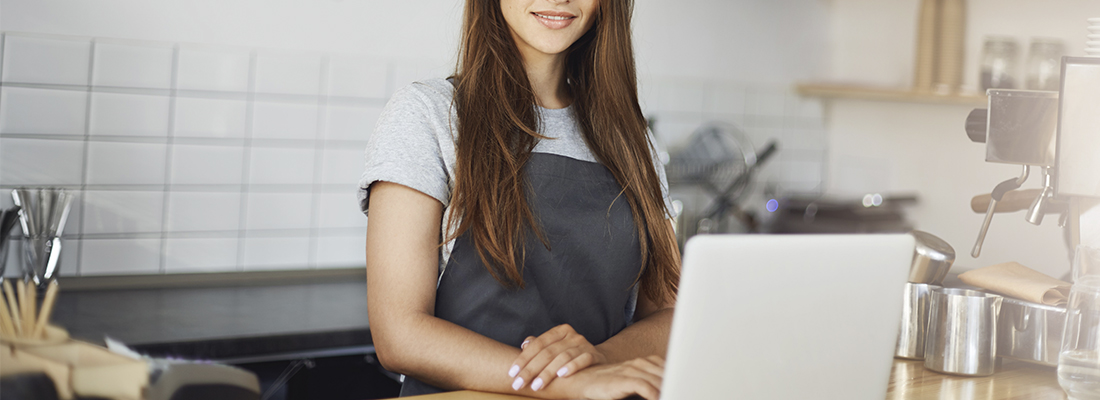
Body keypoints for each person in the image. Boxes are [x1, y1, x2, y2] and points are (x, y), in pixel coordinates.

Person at [359, 0, 681, 398]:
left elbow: (670, 312)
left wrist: (595, 360)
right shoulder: (427, 114)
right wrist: (567, 381)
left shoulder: (632, 141)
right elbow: (400, 334)